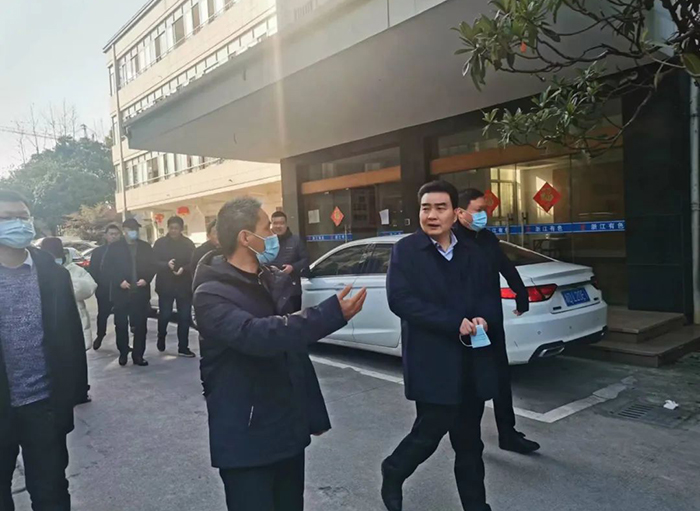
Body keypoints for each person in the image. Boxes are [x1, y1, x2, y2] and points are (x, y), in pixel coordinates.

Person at [193, 196, 367, 511]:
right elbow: (259, 335)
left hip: (285, 431)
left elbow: (293, 353)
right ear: (245, 237)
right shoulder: (210, 294)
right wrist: (328, 315)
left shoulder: (272, 279)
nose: (273, 234)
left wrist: (312, 414)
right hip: (245, 436)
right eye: (266, 228)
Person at [381, 181, 497, 511]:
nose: (431, 215)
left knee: (469, 444)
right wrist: (452, 322)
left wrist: (484, 317)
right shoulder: (406, 251)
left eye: (440, 208)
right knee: (428, 435)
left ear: (455, 213)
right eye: (425, 208)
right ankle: (394, 470)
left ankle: (477, 506)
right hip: (432, 361)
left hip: (470, 362)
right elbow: (400, 300)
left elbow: (488, 295)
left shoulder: (471, 252)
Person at [0, 189, 88, 510]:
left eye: (23, 217)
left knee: (51, 492)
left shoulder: (53, 274)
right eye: (7, 218)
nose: (18, 224)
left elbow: (71, 338)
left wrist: (71, 397)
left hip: (44, 405)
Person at [455, 188, 540, 455]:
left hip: (492, 319)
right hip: (470, 325)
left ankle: (508, 434)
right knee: (476, 384)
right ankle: (471, 440)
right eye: (478, 210)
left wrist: (521, 294)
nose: (484, 215)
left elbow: (506, 266)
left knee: (502, 378)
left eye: (485, 209)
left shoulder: (488, 238)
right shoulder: (451, 242)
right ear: (460, 212)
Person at [102, 217, 156, 367]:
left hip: (140, 292)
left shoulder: (145, 247)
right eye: (131, 229)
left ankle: (138, 355)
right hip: (121, 292)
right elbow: (106, 268)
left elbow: (153, 266)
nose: (134, 232)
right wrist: (119, 281)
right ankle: (123, 352)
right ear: (124, 231)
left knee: (140, 326)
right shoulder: (115, 247)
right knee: (121, 324)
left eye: (136, 230)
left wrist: (146, 279)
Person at [40, 238, 98, 351]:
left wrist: (65, 282)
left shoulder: (73, 269)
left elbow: (89, 288)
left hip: (72, 320)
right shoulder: (36, 271)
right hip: (47, 322)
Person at [153, 216, 196, 357]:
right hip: (166, 285)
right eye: (171, 228)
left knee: (184, 317)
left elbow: (194, 262)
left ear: (181, 229)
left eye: (176, 228)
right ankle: (161, 336)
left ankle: (183, 346)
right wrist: (166, 265)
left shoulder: (188, 244)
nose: (173, 231)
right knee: (165, 315)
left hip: (183, 285)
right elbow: (153, 262)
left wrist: (184, 268)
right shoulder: (160, 243)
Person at [89, 224, 123, 350]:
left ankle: (122, 344)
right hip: (103, 289)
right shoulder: (98, 252)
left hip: (120, 288)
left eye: (116, 234)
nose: (114, 236)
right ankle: (100, 335)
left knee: (121, 318)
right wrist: (98, 284)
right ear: (106, 236)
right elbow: (93, 270)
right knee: (103, 314)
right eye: (111, 234)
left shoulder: (124, 251)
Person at [270, 211, 310, 312]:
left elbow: (306, 260)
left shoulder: (296, 240)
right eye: (275, 223)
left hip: (292, 292)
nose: (278, 226)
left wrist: (293, 268)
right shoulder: (266, 242)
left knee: (294, 319)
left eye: (281, 223)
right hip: (272, 292)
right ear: (271, 224)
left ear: (286, 224)